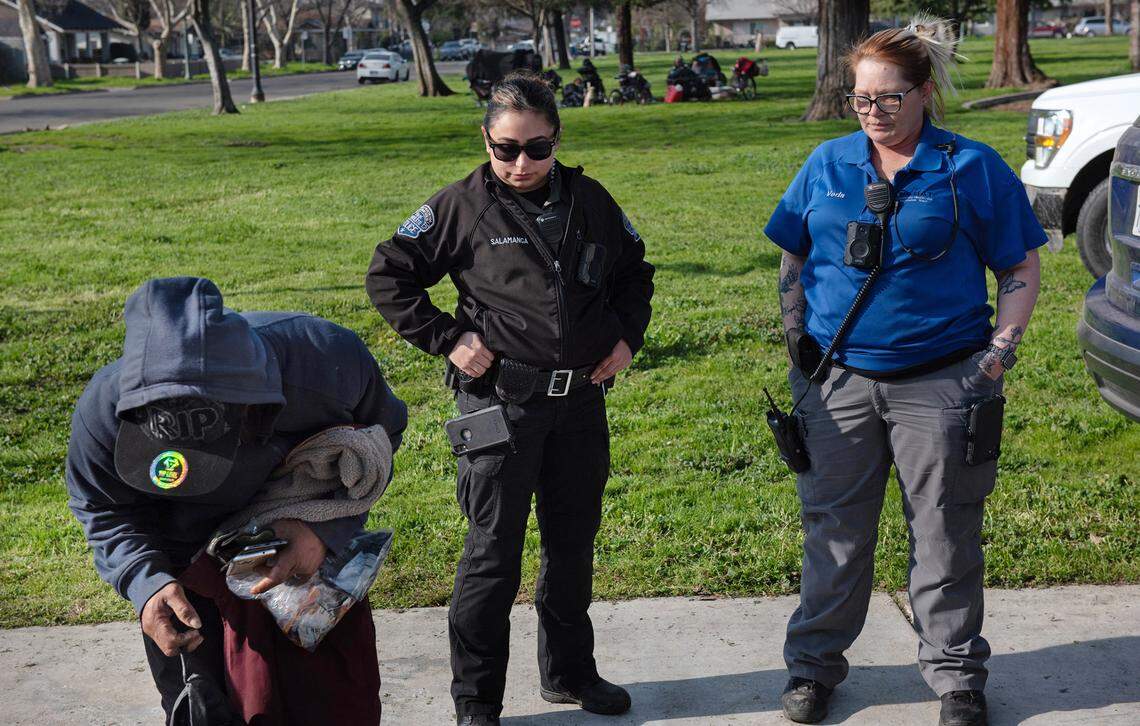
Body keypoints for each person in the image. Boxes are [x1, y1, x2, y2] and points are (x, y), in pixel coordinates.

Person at [763, 16, 1044, 726]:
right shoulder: (826, 165)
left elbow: (1018, 263)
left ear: (923, 94)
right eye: (861, 98)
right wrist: (799, 345)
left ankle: (956, 678)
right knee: (834, 531)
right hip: (839, 382)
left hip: (943, 381)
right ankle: (814, 669)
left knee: (946, 531)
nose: (874, 111)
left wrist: (999, 353)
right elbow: (793, 258)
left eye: (889, 97)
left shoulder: (971, 167)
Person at [365, 71, 654, 726]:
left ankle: (570, 674)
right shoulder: (458, 207)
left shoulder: (592, 201)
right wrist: (446, 338)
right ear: (486, 140)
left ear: (556, 139)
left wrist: (627, 339)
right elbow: (388, 274)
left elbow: (635, 271)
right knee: (492, 554)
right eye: (505, 148)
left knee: (572, 544)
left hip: (579, 405)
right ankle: (478, 704)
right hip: (499, 406)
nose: (521, 163)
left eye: (536, 148)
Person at [65, 276, 407, 725]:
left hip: (306, 562)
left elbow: (377, 444)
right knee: (206, 710)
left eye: (204, 454)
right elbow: (103, 507)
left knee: (335, 703)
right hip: (184, 568)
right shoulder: (105, 413)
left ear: (252, 407)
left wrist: (323, 531)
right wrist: (146, 585)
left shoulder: (326, 362)